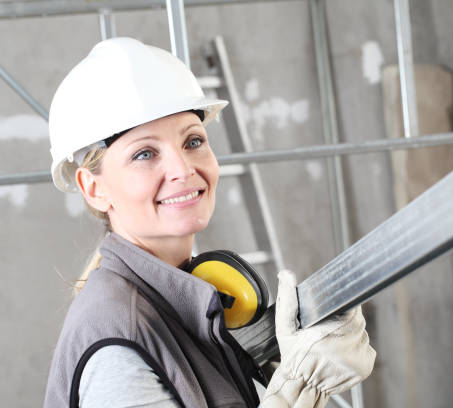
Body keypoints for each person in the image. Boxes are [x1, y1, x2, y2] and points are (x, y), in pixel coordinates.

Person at [43, 37, 375, 408]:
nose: (183, 169)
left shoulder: (178, 308)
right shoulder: (119, 346)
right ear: (93, 188)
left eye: (193, 141)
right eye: (145, 153)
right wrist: (300, 385)